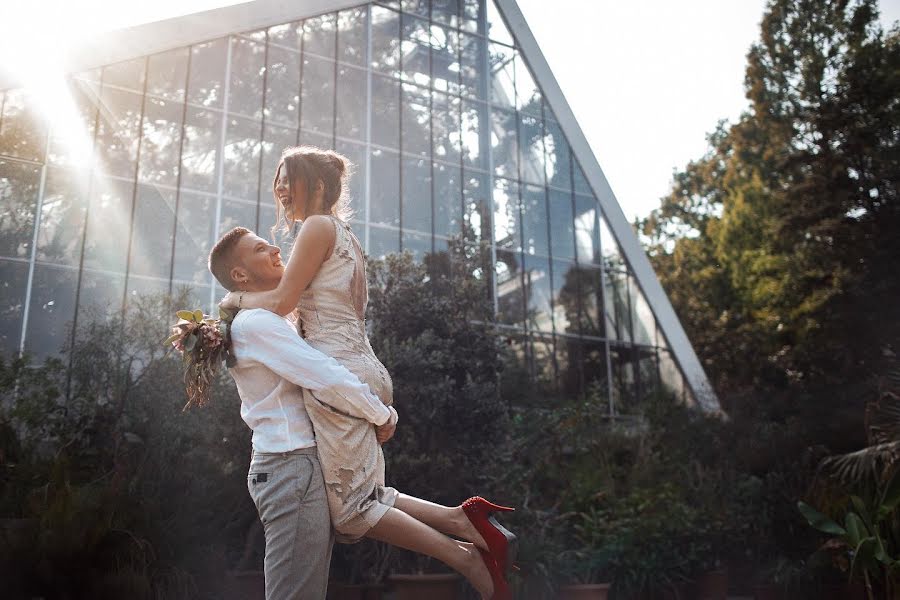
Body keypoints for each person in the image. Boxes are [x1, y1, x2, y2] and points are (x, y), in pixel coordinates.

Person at [219, 146, 515, 600]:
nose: (279, 188)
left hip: (338, 372)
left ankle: (464, 556)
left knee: (355, 511)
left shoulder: (316, 227)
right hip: (360, 362)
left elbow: (280, 303)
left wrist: (231, 305)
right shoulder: (342, 234)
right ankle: (461, 520)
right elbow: (292, 301)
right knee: (365, 495)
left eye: (287, 178)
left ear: (316, 185)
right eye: (277, 179)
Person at [208, 226, 399, 600]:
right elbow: (323, 376)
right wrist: (381, 414)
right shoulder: (258, 324)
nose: (276, 248)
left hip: (293, 465)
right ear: (241, 274)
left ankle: (465, 527)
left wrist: (236, 299)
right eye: (262, 249)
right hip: (291, 465)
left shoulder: (265, 318)